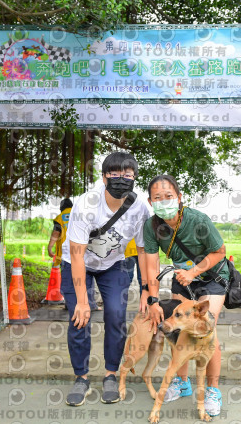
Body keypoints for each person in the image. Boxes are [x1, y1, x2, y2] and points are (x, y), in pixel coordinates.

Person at [60, 152, 150, 406]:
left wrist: (146, 289)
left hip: (114, 265)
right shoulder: (86, 203)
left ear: (134, 179)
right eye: (115, 174)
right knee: (80, 318)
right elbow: (77, 255)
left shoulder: (140, 207)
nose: (122, 179)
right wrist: (82, 300)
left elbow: (143, 251)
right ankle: (82, 377)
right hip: (76, 263)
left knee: (115, 314)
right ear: (103, 177)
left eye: (128, 176)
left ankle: (111, 374)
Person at [142, 174, 227, 417]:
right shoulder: (151, 227)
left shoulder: (197, 220)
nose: (164, 201)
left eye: (169, 196)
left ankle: (212, 390)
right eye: (158, 198)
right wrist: (154, 300)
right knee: (179, 327)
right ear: (150, 202)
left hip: (211, 277)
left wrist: (194, 272)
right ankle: (183, 383)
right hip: (182, 278)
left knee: (206, 327)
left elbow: (220, 251)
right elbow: (151, 266)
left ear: (179, 198)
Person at [49, 198, 101, 311]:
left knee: (68, 279)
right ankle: (91, 304)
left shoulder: (60, 218)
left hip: (66, 253)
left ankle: (69, 304)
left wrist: (50, 247)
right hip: (82, 252)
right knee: (86, 279)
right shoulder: (78, 214)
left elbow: (56, 233)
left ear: (61, 208)